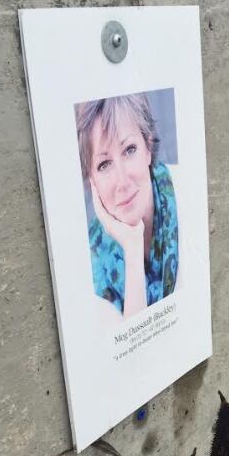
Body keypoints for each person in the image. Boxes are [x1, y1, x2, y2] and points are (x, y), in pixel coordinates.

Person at [75, 93, 178, 320]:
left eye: (129, 150)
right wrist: (132, 247)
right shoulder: (92, 264)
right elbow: (133, 350)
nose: (122, 181)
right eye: (104, 165)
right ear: (92, 180)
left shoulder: (184, 192)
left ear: (148, 147)